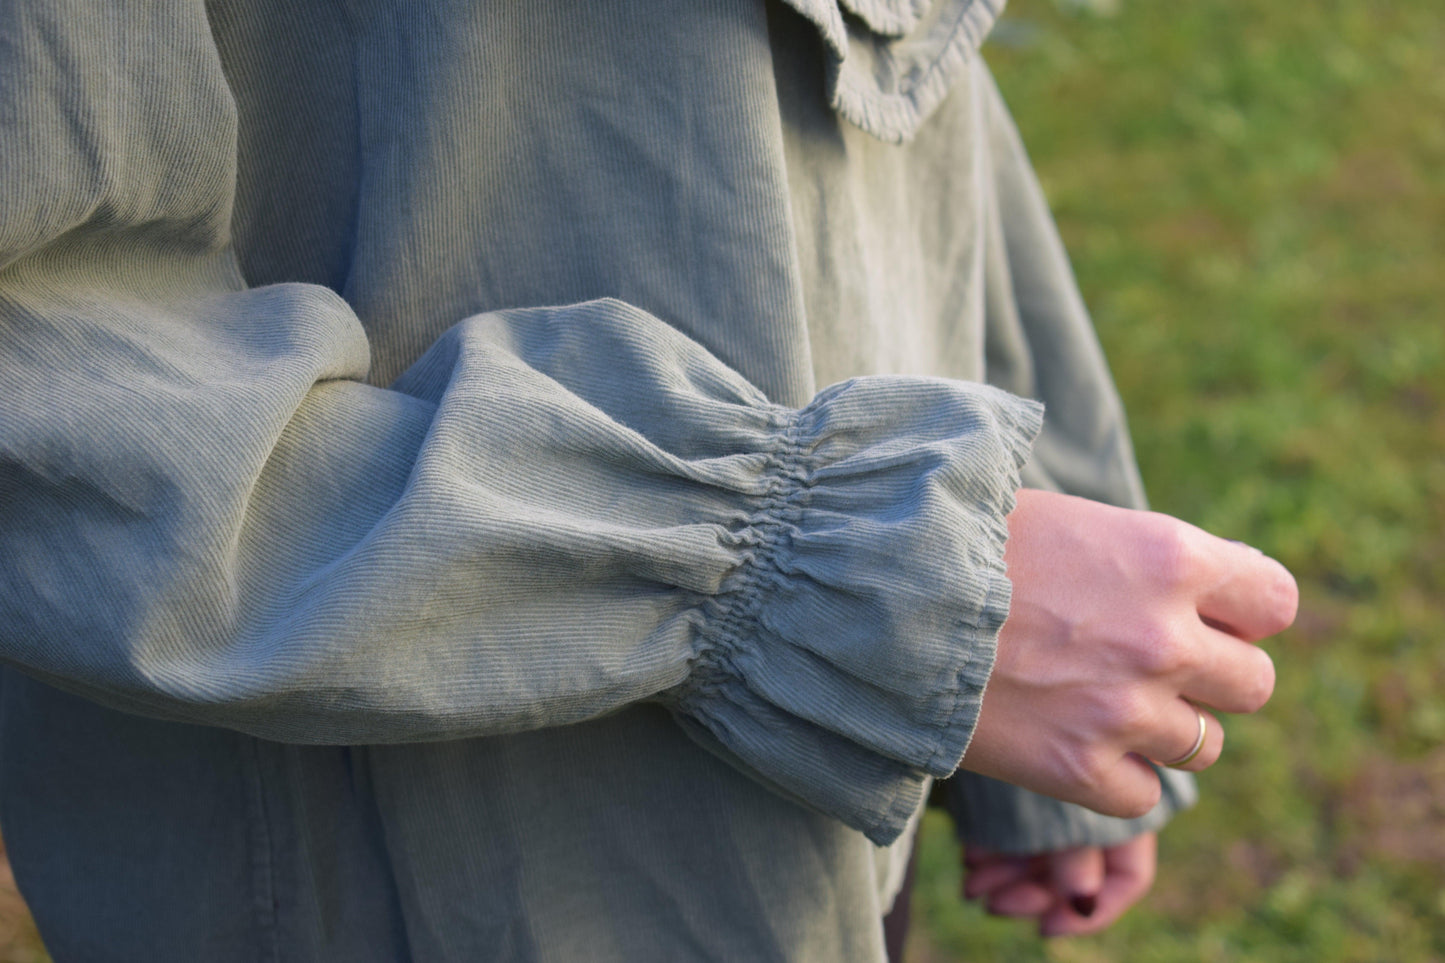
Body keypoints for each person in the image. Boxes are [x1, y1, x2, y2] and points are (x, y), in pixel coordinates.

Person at [0, 0, 1297, 959]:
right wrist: (871, 584)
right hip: (435, 851)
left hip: (826, 801)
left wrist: (1002, 576)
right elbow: (45, 365)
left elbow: (904, 96)